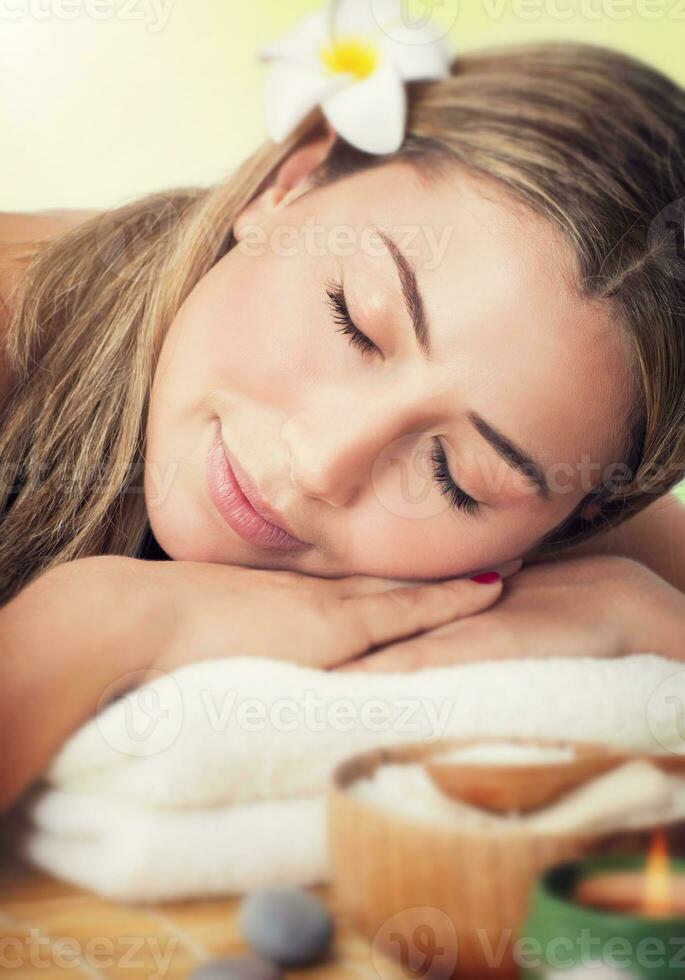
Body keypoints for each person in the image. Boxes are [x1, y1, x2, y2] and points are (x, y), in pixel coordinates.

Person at [1, 40, 684, 813]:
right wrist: (95, 626)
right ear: (292, 179)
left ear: (572, 520)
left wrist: (634, 613)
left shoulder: (562, 476)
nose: (325, 464)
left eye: (450, 478)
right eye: (352, 323)